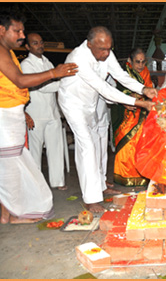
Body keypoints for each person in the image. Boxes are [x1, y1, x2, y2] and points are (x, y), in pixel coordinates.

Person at [59, 26, 156, 213]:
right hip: (73, 104)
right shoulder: (78, 58)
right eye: (101, 49)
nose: (106, 53)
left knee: (97, 143)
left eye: (109, 49)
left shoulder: (106, 52)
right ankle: (91, 198)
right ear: (89, 45)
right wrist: (139, 102)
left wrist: (143, 89)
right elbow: (104, 88)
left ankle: (101, 185)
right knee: (86, 145)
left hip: (90, 102)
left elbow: (119, 75)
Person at [0, 12, 76, 223]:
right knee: (12, 170)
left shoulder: (8, 52)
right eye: (17, 31)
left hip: (12, 115)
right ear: (1, 30)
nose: (21, 35)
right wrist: (54, 74)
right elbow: (20, 81)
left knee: (9, 169)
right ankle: (14, 214)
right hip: (5, 118)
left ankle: (7, 215)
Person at [20, 32, 67, 191]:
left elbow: (54, 81)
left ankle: (57, 182)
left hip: (52, 113)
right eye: (35, 43)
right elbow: (42, 86)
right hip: (36, 115)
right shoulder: (26, 64)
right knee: (35, 151)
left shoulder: (47, 61)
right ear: (27, 46)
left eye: (40, 42)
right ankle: (36, 185)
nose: (39, 45)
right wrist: (63, 85)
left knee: (56, 149)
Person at [110, 48, 152, 187]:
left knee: (141, 144)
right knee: (127, 144)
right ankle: (124, 175)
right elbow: (117, 91)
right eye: (137, 62)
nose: (140, 65)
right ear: (130, 61)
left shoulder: (145, 73)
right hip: (125, 113)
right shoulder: (123, 73)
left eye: (143, 62)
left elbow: (149, 90)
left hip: (142, 113)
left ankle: (141, 174)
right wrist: (129, 97)